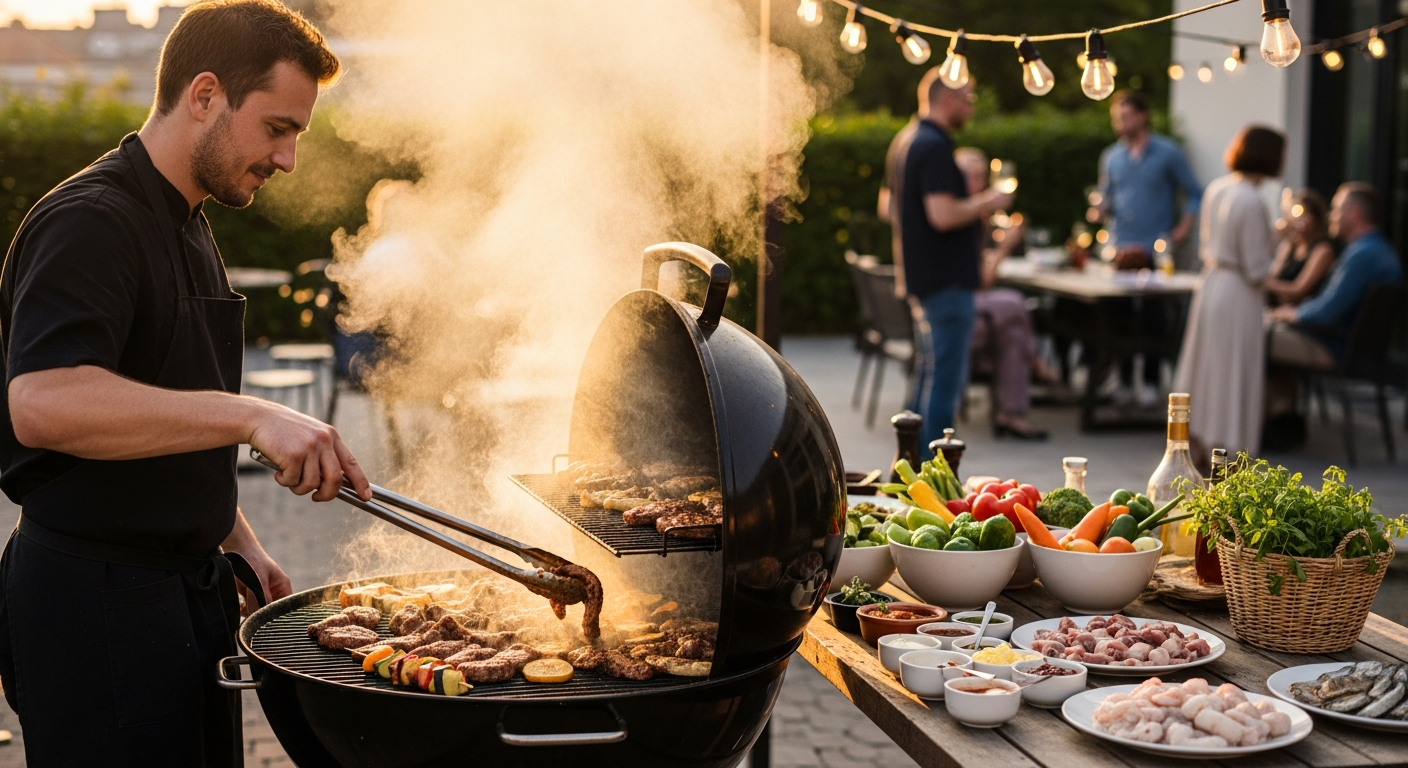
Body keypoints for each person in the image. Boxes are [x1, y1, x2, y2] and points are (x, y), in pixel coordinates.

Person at [0, 2, 370, 765]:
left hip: (186, 591)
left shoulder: (190, 221)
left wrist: (241, 541)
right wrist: (252, 415)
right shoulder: (91, 220)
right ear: (204, 96)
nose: (288, 159)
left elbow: (163, 410)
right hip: (95, 604)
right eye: (278, 128)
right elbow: (42, 402)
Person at [877, 70, 1013, 449]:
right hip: (945, 283)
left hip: (922, 277)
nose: (971, 106)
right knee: (945, 383)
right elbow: (942, 214)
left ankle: (907, 468)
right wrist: (991, 201)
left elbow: (890, 208)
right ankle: (934, 473)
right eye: (968, 98)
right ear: (948, 100)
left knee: (927, 374)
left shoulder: (905, 140)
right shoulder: (935, 145)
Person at [1172, 126, 1285, 459]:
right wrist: (1283, 241)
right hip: (1238, 293)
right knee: (1232, 371)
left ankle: (1199, 441)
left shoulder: (1218, 189)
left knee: (1207, 369)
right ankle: (1227, 448)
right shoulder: (1253, 200)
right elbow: (1256, 268)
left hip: (1211, 285)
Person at [1097, 91, 1204, 406]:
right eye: (1117, 117)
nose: (1121, 123)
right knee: (1121, 315)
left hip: (1155, 249)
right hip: (1120, 248)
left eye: (1126, 116)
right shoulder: (1111, 157)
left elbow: (1195, 194)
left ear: (1143, 116)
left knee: (1154, 317)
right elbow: (1107, 196)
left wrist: (1182, 228)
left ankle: (1152, 383)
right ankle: (1125, 382)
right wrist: (1101, 208)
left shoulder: (1168, 152)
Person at [952, 146, 1051, 439]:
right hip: (960, 317)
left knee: (1014, 332)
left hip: (974, 309)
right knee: (1014, 303)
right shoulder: (959, 215)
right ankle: (1038, 366)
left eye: (982, 176)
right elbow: (982, 281)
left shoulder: (973, 214)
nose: (977, 182)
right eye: (969, 176)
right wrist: (1006, 246)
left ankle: (1009, 415)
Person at [1268, 182, 1404, 367]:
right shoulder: (1381, 251)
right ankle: (1280, 397)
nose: (1331, 216)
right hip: (1348, 346)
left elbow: (1326, 312)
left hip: (1334, 347)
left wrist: (1292, 314)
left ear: (1354, 214)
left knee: (1254, 336)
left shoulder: (1361, 255)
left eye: (1336, 210)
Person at [1265, 189, 1336, 307]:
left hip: (1300, 314)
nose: (1298, 220)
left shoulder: (1323, 249)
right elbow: (1273, 274)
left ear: (1316, 218)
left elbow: (1299, 290)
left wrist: (1262, 283)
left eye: (1304, 215)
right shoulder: (1290, 245)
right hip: (1277, 308)